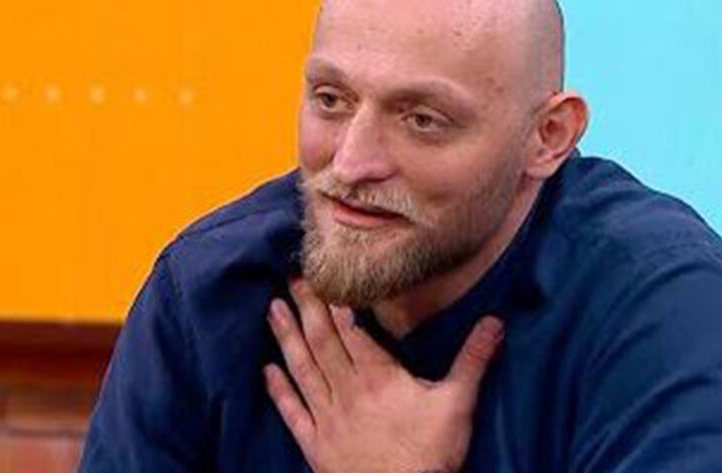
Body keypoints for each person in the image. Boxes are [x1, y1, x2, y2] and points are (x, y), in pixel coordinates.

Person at [78, 0, 722, 471]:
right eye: (331, 99)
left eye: (422, 120)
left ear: (547, 137)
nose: (351, 164)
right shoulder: (209, 291)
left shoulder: (662, 305)